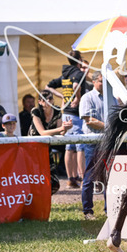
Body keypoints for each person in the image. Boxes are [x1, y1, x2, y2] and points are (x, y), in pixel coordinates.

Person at [46, 50, 88, 189]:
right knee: (81, 145)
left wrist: (62, 96)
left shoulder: (65, 74)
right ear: (79, 60)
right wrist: (77, 98)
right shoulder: (78, 73)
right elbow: (76, 86)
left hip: (66, 114)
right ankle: (83, 179)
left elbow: (48, 86)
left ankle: (71, 179)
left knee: (69, 146)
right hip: (76, 113)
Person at [79, 71, 106, 220]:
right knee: (89, 177)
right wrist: (108, 127)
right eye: (101, 81)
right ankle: (87, 211)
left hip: (107, 142)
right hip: (92, 142)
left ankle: (109, 210)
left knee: (108, 177)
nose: (103, 83)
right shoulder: (87, 97)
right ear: (94, 81)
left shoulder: (111, 97)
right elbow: (89, 120)